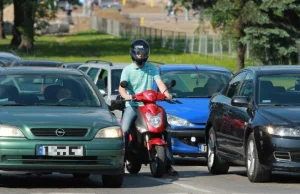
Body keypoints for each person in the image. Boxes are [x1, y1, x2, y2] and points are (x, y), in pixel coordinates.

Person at [119, 39, 178, 176]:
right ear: (133, 53)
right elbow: (122, 89)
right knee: (124, 129)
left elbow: (160, 83)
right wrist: (127, 97)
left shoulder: (152, 68)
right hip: (133, 105)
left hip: (150, 105)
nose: (140, 55)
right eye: (138, 52)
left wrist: (166, 94)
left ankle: (168, 164)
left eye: (143, 52)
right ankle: (121, 160)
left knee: (166, 129)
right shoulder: (127, 70)